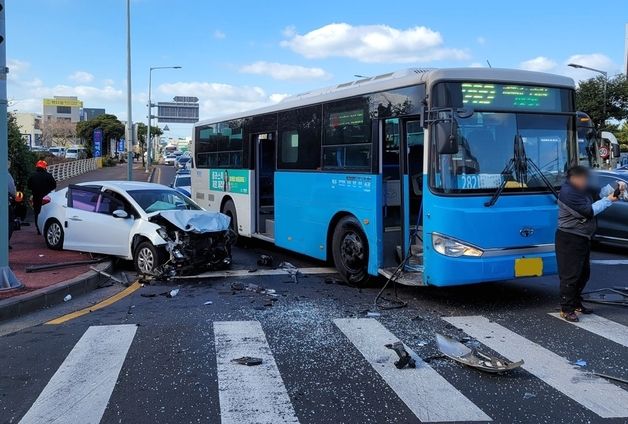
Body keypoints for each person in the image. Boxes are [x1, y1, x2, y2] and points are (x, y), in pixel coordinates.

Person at [556, 165, 624, 322]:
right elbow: (588, 211)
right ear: (574, 179)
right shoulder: (568, 193)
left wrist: (616, 186)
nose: (585, 182)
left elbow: (599, 192)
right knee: (570, 275)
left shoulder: (582, 187)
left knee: (583, 273)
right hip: (569, 238)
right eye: (583, 179)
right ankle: (566, 309)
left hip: (583, 237)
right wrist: (609, 200)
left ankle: (576, 303)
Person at [27, 160, 56, 235]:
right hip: (46, 198)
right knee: (47, 213)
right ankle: (45, 229)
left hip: (36, 197)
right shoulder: (48, 175)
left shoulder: (32, 175)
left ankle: (38, 229)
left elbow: (29, 186)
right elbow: (54, 186)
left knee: (37, 213)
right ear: (45, 167)